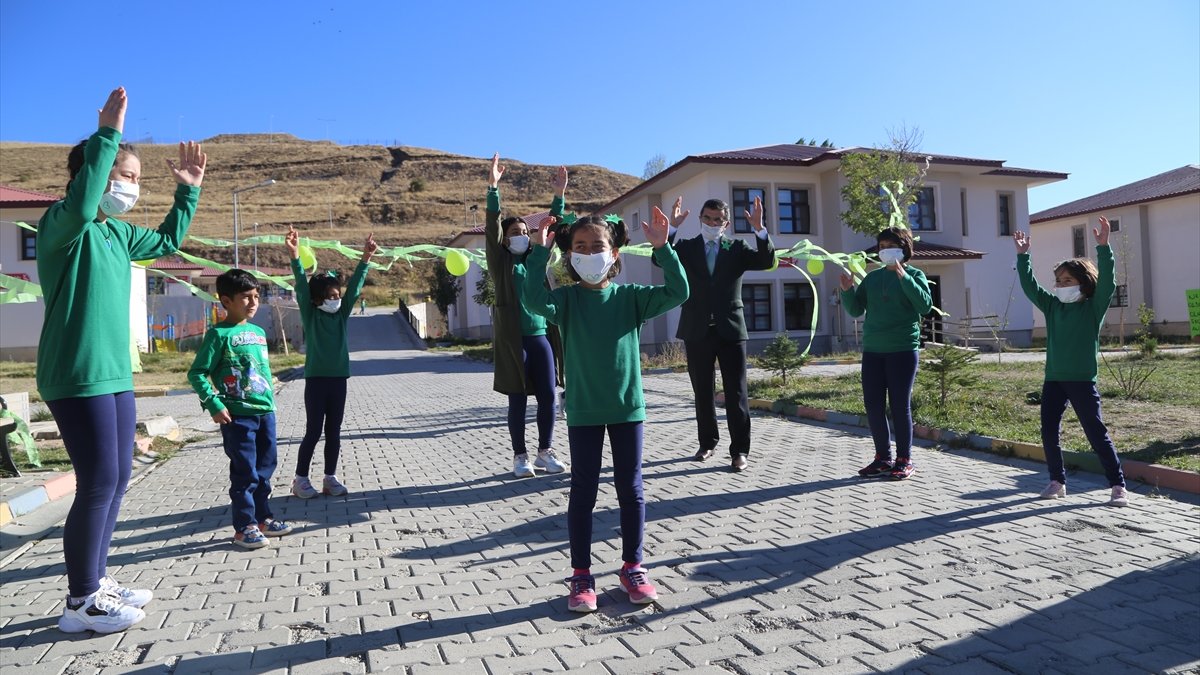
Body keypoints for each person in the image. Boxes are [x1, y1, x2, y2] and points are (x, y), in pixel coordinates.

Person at [38, 87, 205, 634]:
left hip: (114, 371)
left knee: (119, 478)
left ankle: (98, 578)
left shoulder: (116, 233)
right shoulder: (65, 224)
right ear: (93, 169)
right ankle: (80, 602)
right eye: (123, 173)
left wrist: (189, 194)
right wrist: (108, 133)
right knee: (97, 481)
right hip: (76, 370)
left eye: (136, 178)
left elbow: (165, 242)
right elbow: (85, 202)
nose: (131, 185)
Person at [523, 205, 689, 613]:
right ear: (571, 256)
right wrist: (540, 252)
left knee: (630, 491)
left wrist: (664, 249)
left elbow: (679, 291)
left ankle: (633, 566)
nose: (589, 252)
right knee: (583, 493)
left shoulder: (631, 298)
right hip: (583, 410)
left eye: (597, 245)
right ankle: (581, 575)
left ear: (614, 253)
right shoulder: (564, 301)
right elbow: (531, 299)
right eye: (580, 246)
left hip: (627, 408)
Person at [1014, 218, 1128, 506]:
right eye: (1058, 281)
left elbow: (1108, 284)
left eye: (1068, 281)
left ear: (1084, 283)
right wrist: (1023, 256)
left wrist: (1104, 248)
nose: (1061, 285)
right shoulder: (1052, 306)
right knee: (1049, 431)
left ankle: (1117, 485)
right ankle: (1057, 481)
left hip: (1082, 379)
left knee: (1095, 431)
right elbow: (1030, 288)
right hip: (1054, 379)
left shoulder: (1093, 308)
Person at [663, 195, 775, 471]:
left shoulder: (736, 247)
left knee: (736, 392)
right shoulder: (687, 248)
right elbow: (660, 259)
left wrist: (760, 229)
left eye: (718, 220)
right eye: (707, 218)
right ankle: (707, 443)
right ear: (700, 219)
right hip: (696, 328)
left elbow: (766, 260)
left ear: (726, 224)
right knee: (702, 391)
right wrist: (671, 230)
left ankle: (739, 451)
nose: (712, 224)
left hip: (731, 329)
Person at [188, 269, 294, 548]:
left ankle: (263, 519)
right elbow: (197, 373)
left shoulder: (258, 333)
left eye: (257, 296)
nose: (253, 302)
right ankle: (244, 527)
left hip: (265, 412)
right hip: (237, 416)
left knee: (265, 468)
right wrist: (213, 403)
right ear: (226, 301)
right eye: (245, 297)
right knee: (245, 472)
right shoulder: (218, 335)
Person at [484, 154, 567, 478]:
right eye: (514, 232)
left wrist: (559, 195)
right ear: (505, 239)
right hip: (512, 338)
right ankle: (520, 457)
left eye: (523, 231)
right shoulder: (500, 261)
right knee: (517, 398)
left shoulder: (536, 259)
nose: (520, 235)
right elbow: (492, 226)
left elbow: (554, 228)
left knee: (547, 394)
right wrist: (493, 188)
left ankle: (545, 452)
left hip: (540, 336)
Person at [285, 227, 379, 498]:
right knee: (313, 430)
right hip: (316, 380)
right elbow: (302, 286)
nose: (336, 299)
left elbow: (356, 288)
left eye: (338, 295)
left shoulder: (341, 315)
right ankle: (300, 479)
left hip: (339, 379)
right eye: (331, 296)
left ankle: (330, 478)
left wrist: (365, 258)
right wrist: (294, 256)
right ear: (317, 299)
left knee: (334, 431)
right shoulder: (311, 315)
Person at [840, 227, 933, 481]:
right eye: (881, 247)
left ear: (904, 249)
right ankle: (883, 458)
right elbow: (856, 309)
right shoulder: (872, 278)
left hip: (903, 349)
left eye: (890, 245)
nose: (884, 250)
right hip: (873, 350)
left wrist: (905, 278)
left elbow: (924, 305)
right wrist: (847, 290)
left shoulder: (915, 275)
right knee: (873, 405)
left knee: (900, 406)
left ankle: (904, 460)